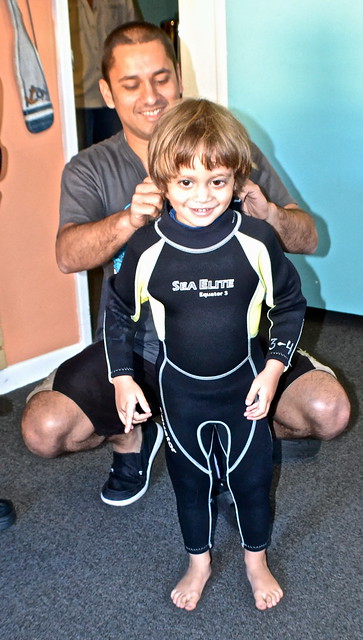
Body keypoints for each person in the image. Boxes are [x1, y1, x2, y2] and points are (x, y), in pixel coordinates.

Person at [21, 22, 350, 509]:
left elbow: (309, 237)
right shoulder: (90, 168)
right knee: (44, 430)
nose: (151, 95)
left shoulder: (228, 153)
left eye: (161, 78)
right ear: (108, 93)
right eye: (131, 84)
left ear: (178, 79)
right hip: (140, 346)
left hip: (238, 344)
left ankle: (229, 438)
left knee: (330, 411)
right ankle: (134, 438)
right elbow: (68, 255)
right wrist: (126, 221)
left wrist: (269, 213)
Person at [104, 98, 307, 610]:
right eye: (186, 182)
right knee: (190, 483)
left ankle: (255, 560)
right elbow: (117, 312)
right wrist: (123, 378)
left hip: (244, 387)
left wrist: (275, 368)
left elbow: (290, 304)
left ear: (237, 180)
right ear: (162, 181)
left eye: (217, 182)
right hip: (181, 391)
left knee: (252, 479)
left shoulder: (257, 240)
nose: (202, 197)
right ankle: (199, 561)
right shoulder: (148, 246)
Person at [68, 0, 142, 149]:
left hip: (114, 93)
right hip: (76, 97)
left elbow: (138, 37)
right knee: (80, 159)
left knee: (121, 156)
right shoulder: (60, 4)